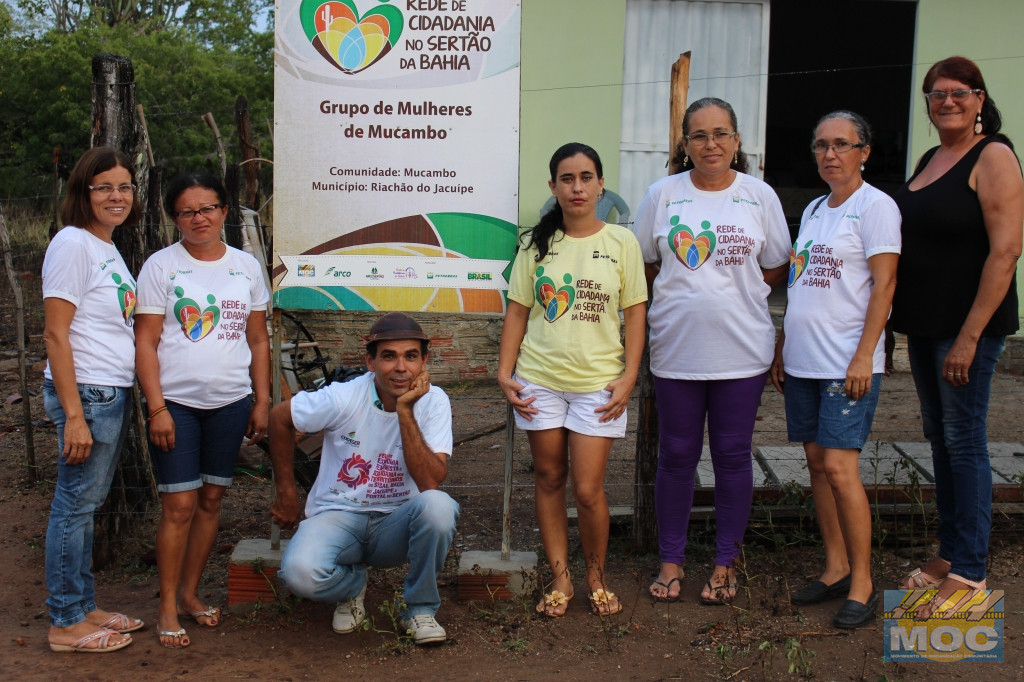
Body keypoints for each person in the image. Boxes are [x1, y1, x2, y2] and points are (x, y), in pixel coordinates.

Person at [632, 98, 791, 605]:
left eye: (721, 133)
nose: (711, 144)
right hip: (677, 349)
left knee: (730, 456)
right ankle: (671, 559)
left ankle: (726, 562)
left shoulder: (759, 196)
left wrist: (730, 294)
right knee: (676, 457)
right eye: (699, 135)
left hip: (742, 351)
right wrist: (689, 296)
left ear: (737, 141)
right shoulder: (662, 194)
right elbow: (646, 266)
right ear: (684, 144)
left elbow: (775, 267)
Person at [890, 56, 1023, 617]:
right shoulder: (931, 158)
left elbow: (1006, 250)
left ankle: (969, 571)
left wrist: (970, 337)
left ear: (979, 99)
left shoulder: (993, 155)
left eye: (959, 93)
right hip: (924, 325)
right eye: (936, 93)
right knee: (941, 439)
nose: (947, 101)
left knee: (965, 441)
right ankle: (951, 550)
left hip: (966, 329)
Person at [498, 142, 647, 617]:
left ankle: (597, 577)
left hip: (597, 385)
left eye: (586, 177)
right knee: (548, 477)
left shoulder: (623, 243)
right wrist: (504, 373)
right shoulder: (532, 243)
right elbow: (518, 311)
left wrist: (629, 377)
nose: (577, 187)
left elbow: (636, 315)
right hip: (538, 379)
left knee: (587, 490)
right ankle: (561, 579)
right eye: (567, 178)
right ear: (553, 187)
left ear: (601, 184)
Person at [770, 111, 901, 629]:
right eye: (821, 145)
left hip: (846, 363)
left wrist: (865, 354)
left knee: (843, 470)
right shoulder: (816, 208)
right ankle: (836, 566)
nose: (830, 154)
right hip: (803, 360)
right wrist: (783, 342)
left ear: (864, 152)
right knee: (819, 467)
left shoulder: (876, 207)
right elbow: (802, 283)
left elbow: (885, 287)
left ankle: (864, 583)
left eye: (842, 145)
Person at [135, 173, 270, 648]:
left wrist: (262, 401)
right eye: (188, 211)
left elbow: (257, 339)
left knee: (211, 501)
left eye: (208, 208)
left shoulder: (247, 267)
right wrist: (156, 409)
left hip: (231, 403)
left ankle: (191, 594)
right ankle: (167, 605)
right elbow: (147, 341)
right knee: (180, 506)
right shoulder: (160, 267)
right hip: (176, 405)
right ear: (176, 219)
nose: (199, 219)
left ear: (224, 212)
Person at [269, 312, 459, 645]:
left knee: (439, 507)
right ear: (370, 361)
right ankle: (353, 585)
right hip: (337, 517)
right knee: (299, 574)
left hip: (396, 523)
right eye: (389, 356)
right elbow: (279, 418)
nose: (401, 367)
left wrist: (405, 410)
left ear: (424, 361)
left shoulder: (434, 402)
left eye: (410, 356)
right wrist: (287, 491)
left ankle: (419, 608)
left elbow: (431, 480)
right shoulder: (343, 396)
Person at [42, 146, 144, 653]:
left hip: (108, 389)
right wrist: (75, 418)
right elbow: (56, 336)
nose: (116, 196)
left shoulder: (106, 247)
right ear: (83, 192)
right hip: (86, 393)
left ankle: (83, 607)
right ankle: (64, 623)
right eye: (104, 186)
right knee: (73, 506)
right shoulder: (72, 244)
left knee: (87, 504)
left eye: (124, 186)